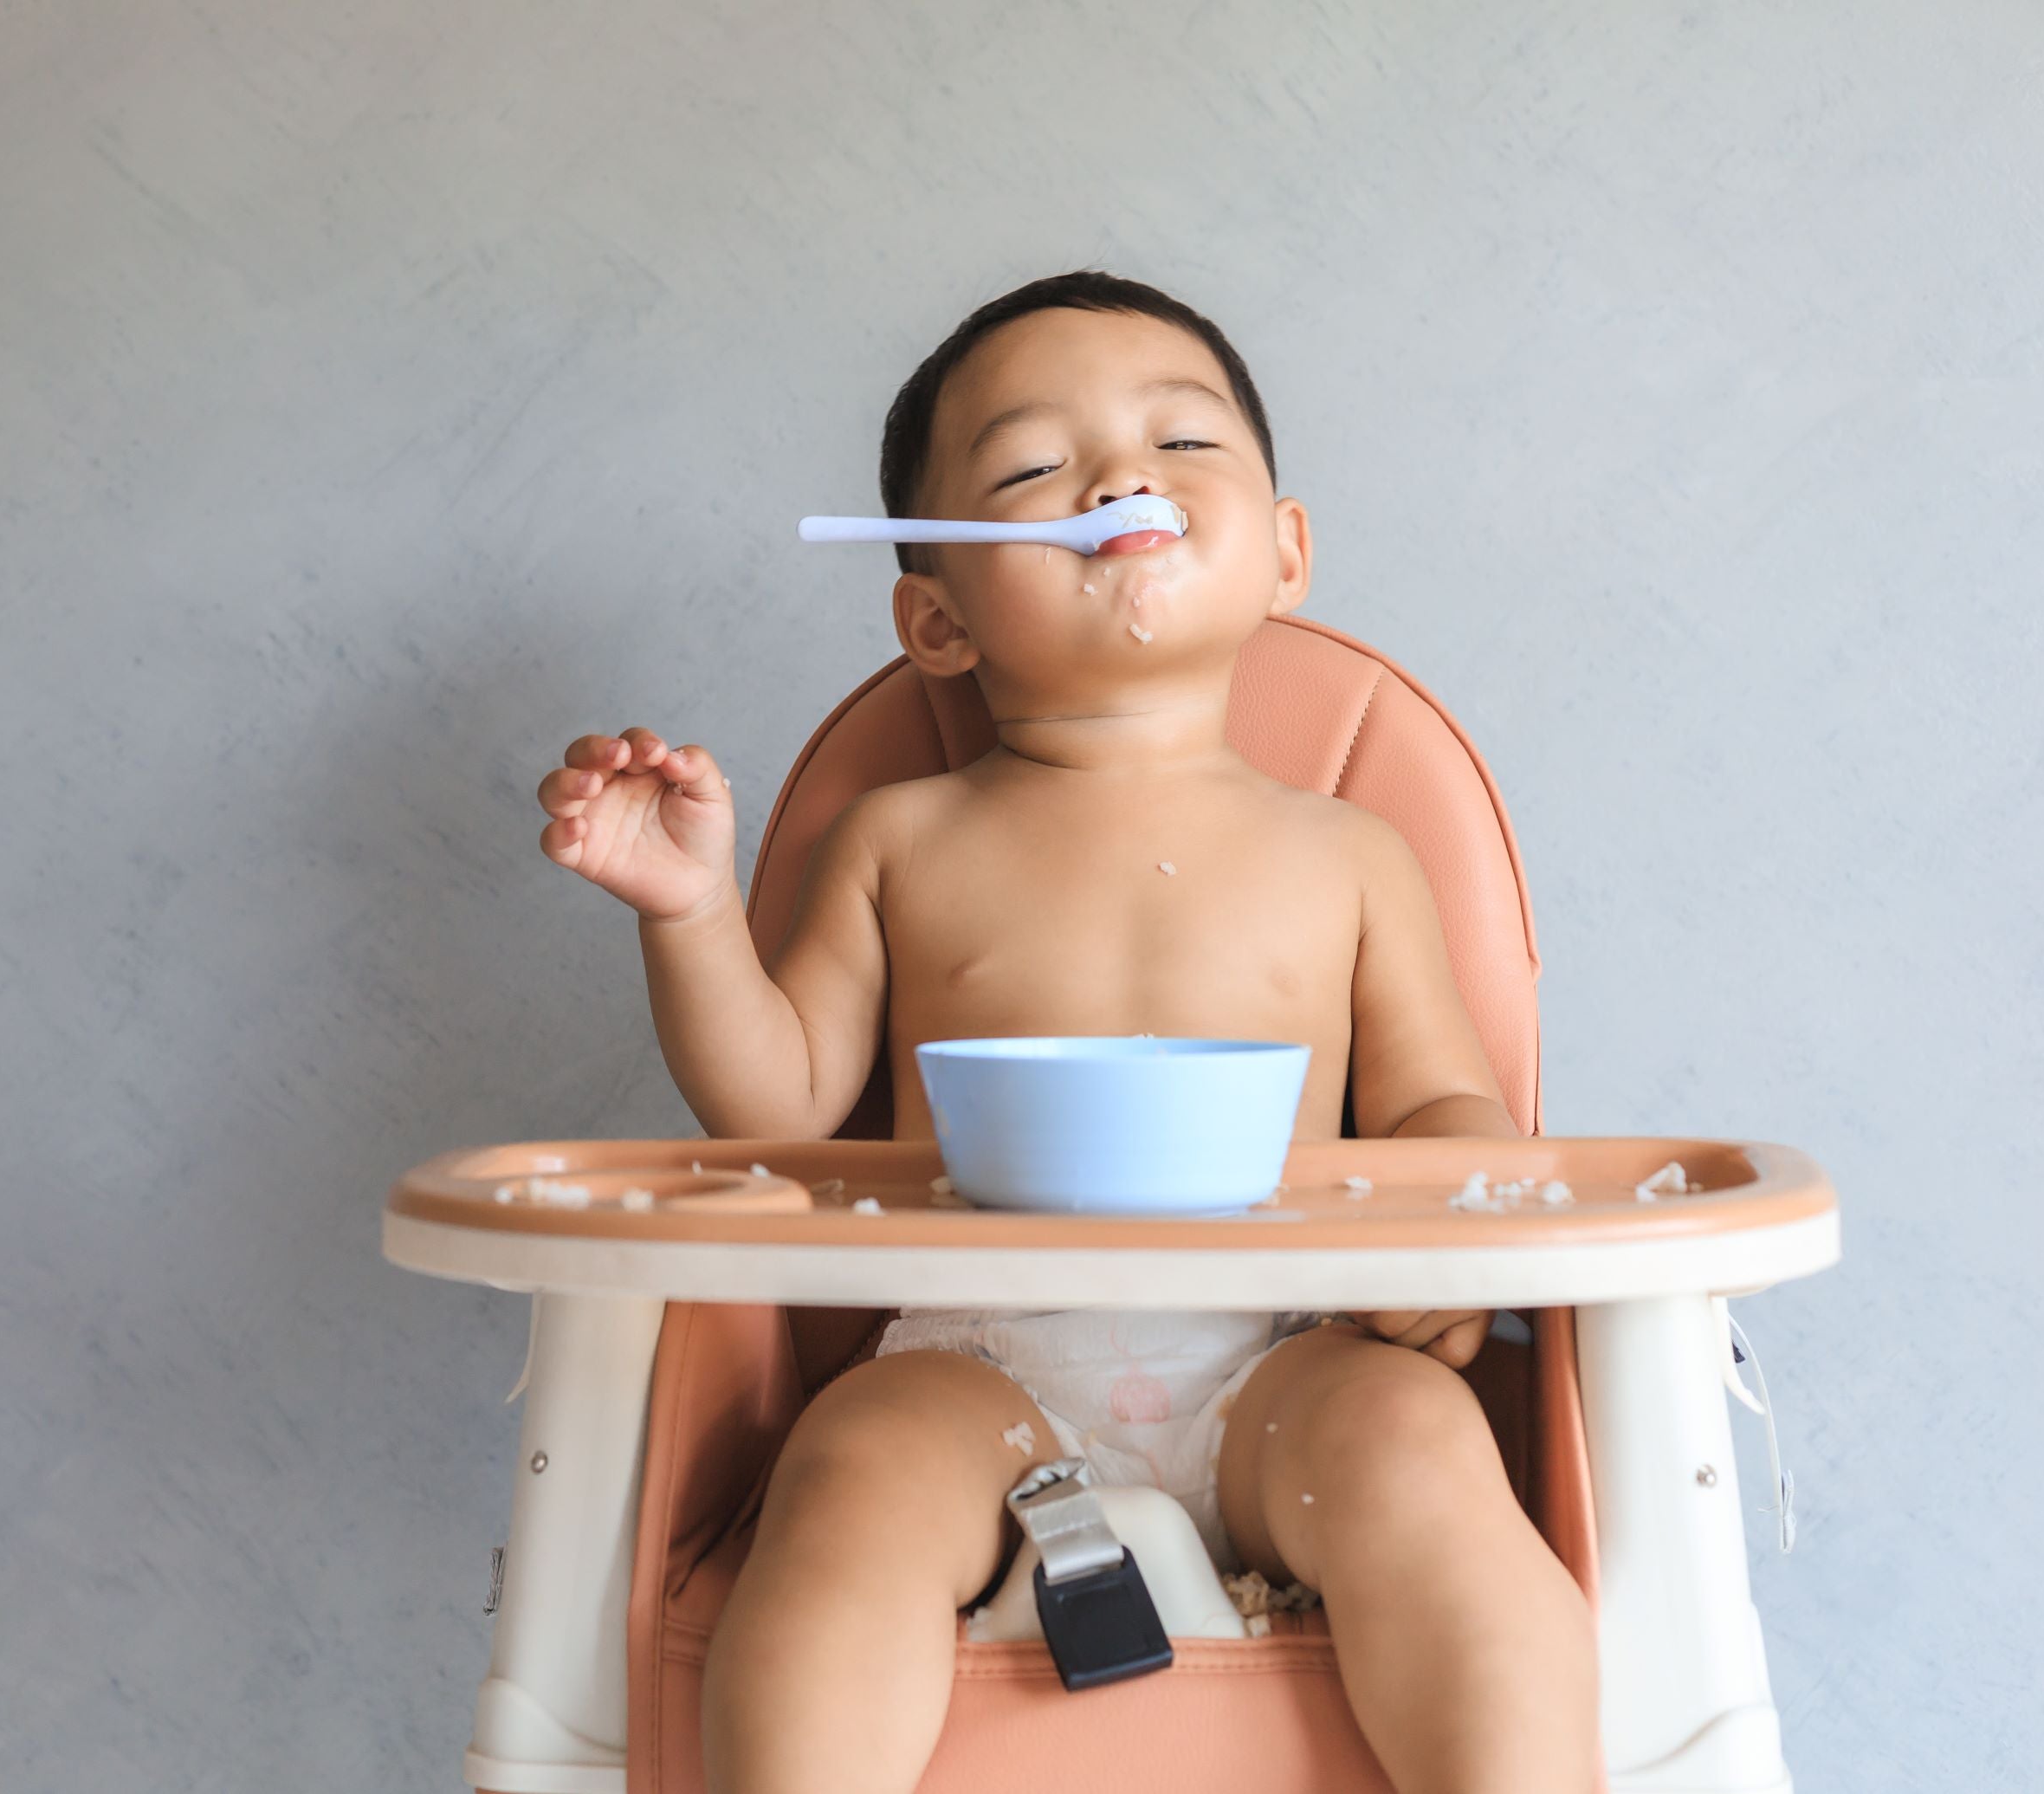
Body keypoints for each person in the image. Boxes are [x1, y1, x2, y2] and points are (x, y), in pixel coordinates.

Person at [533, 269, 1596, 1794]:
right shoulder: (898, 838)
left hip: (1283, 1357)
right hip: (971, 1361)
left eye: (1184, 444)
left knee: (1419, 1449)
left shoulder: (1350, 850)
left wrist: (1439, 1256)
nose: (1119, 482)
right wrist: (687, 908)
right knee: (844, 1479)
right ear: (937, 619)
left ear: (1285, 553)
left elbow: (1441, 1107)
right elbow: (775, 1101)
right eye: (1034, 470)